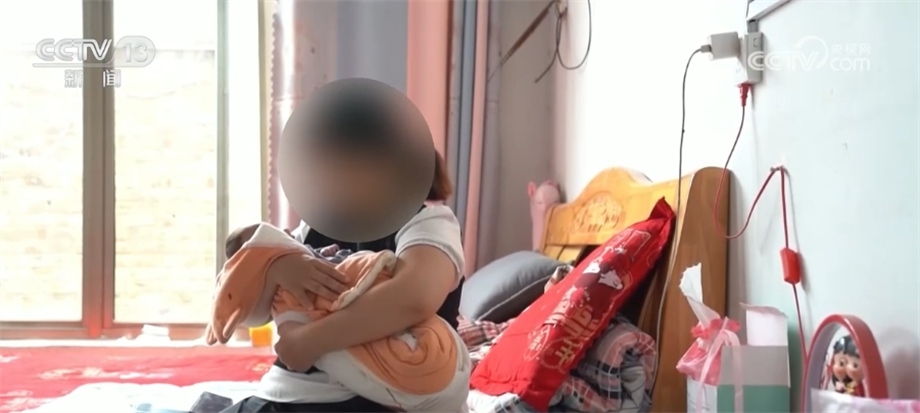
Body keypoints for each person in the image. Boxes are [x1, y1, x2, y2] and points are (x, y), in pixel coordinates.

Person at [220, 87, 465, 412]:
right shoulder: (316, 227)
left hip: (386, 395)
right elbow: (251, 314)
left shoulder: (429, 223)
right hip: (293, 392)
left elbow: (415, 297)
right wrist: (276, 267)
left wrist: (310, 341)